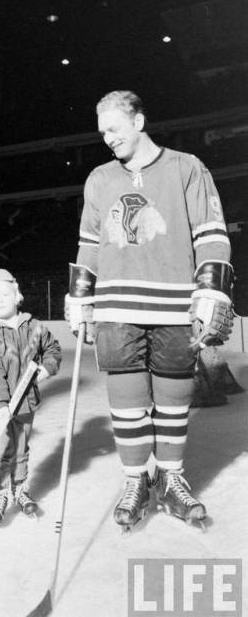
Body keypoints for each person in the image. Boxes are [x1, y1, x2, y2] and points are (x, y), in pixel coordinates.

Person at [65, 90, 234, 531]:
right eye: (102, 132)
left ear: (139, 121)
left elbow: (212, 234)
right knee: (127, 406)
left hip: (174, 306)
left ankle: (172, 479)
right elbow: (88, 244)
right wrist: (80, 298)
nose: (107, 139)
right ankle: (136, 480)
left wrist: (210, 293)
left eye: (114, 129)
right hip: (116, 309)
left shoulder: (187, 168)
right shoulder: (99, 178)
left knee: (174, 404)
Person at [0, 269, 61, 525]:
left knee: (21, 448)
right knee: (1, 450)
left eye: (4, 293)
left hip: (25, 402)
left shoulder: (34, 326)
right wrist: (1, 405)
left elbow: (52, 348)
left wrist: (47, 367)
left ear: (17, 294)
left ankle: (19, 488)